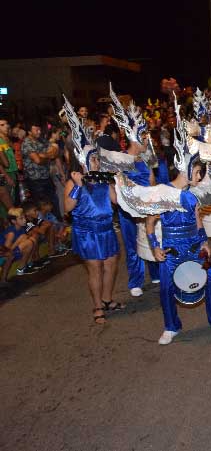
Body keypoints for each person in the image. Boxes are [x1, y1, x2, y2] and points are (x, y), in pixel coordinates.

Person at [117, 99, 211, 345]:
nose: (201, 177)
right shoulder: (161, 193)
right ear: (186, 170)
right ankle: (171, 326)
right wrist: (154, 247)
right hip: (171, 249)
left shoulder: (194, 194)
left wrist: (204, 243)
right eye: (199, 173)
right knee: (166, 289)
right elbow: (150, 224)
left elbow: (197, 219)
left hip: (194, 245)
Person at [63, 99, 123, 324]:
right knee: (95, 268)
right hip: (87, 231)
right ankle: (97, 306)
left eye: (98, 158)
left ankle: (108, 300)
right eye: (94, 159)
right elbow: (67, 209)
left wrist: (112, 183)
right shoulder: (75, 181)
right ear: (85, 161)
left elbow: (115, 202)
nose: (98, 161)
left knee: (111, 264)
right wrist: (78, 188)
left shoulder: (103, 179)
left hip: (106, 228)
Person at [107, 84, 160, 297]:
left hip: (147, 207)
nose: (147, 139)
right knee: (132, 245)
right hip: (129, 210)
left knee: (151, 237)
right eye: (144, 136)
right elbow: (114, 188)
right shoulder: (120, 161)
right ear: (135, 139)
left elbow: (152, 182)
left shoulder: (145, 158)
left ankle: (155, 271)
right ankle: (135, 280)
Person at [21, 122, 61, 217]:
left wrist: (44, 155)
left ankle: (58, 223)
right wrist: (48, 155)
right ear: (29, 132)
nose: (39, 132)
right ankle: (44, 226)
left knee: (54, 202)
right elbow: (38, 160)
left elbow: (55, 152)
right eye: (36, 130)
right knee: (41, 207)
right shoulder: (27, 143)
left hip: (46, 177)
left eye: (40, 129)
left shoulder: (41, 140)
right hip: (35, 180)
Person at [1, 207, 38, 279]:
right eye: (21, 218)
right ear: (13, 221)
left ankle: (26, 265)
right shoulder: (11, 233)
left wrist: (23, 238)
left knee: (32, 239)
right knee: (28, 242)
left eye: (24, 218)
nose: (25, 220)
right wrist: (19, 240)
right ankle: (21, 269)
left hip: (13, 251)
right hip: (5, 254)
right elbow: (5, 251)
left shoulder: (21, 228)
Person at [0, 119, 18, 207]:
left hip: (13, 172)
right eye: (2, 125)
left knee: (13, 199)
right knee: (8, 203)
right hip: (6, 174)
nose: (6, 126)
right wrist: (7, 177)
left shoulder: (7, 139)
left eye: (6, 124)